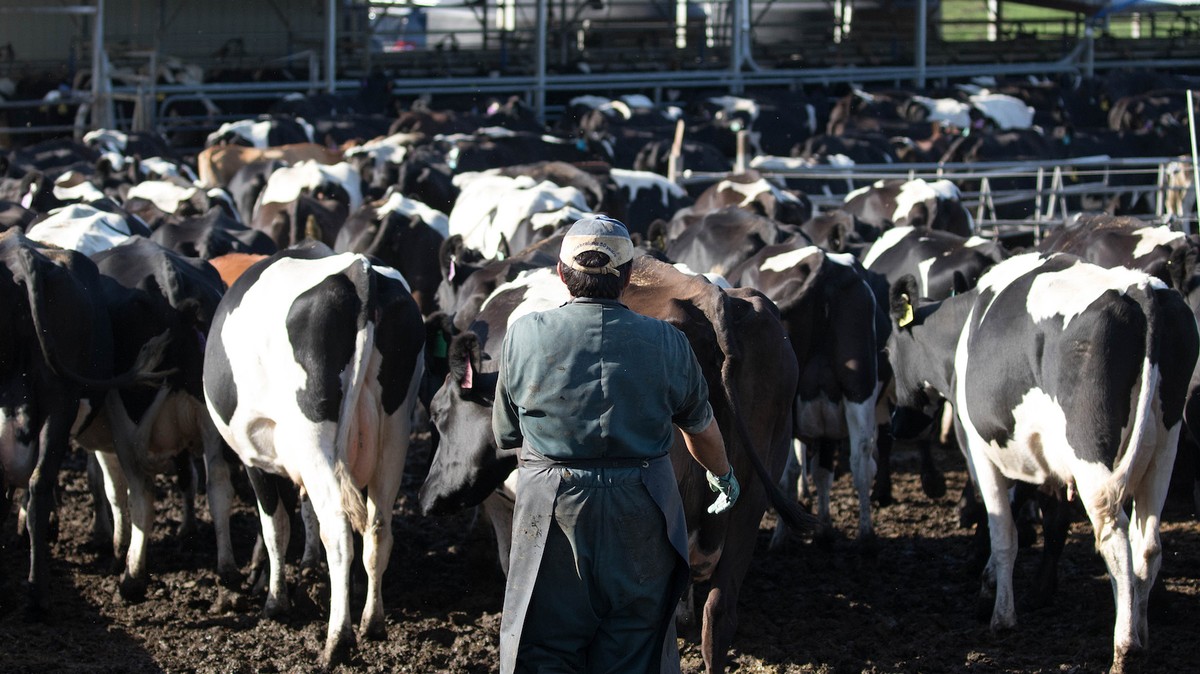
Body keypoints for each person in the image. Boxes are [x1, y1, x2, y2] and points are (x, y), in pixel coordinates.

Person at [492, 214, 740, 674]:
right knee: (636, 647)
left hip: (553, 509)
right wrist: (723, 477)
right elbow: (701, 429)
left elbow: (506, 433)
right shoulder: (668, 341)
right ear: (627, 277)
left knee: (543, 646)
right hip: (643, 508)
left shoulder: (523, 333)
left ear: (563, 275)